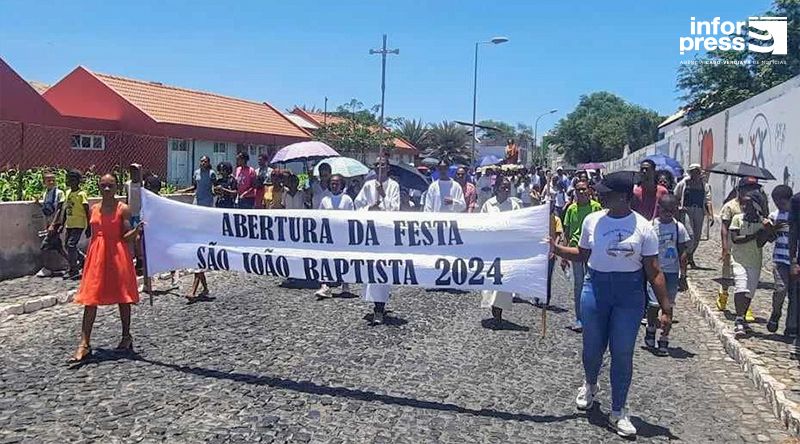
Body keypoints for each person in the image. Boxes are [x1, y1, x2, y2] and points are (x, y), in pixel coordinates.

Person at [551, 170, 671, 438]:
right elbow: (582, 254)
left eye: (606, 193)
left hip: (628, 296)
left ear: (624, 197)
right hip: (595, 290)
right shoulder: (593, 221)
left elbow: (654, 270)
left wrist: (666, 307)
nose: (600, 195)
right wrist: (557, 249)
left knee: (622, 352)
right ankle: (590, 384)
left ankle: (619, 410)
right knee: (592, 349)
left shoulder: (643, 227)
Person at [69, 174, 142, 363]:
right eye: (103, 186)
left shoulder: (123, 209)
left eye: (110, 186)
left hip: (117, 255)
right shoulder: (94, 209)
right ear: (99, 188)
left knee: (122, 297)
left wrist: (137, 231)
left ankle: (126, 336)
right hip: (97, 256)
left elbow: (126, 237)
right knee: (90, 297)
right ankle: (84, 343)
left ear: (116, 187)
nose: (107, 189)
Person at [354, 156, 400, 325]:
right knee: (371, 269)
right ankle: (376, 302)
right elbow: (357, 205)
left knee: (383, 268)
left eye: (383, 165)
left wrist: (383, 195)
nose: (379, 167)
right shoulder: (368, 185)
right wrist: (369, 208)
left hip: (386, 234)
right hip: (370, 233)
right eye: (376, 164)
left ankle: (379, 307)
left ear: (388, 167)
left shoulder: (393, 186)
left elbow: (395, 209)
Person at [644, 194, 690, 356]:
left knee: (668, 306)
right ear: (659, 210)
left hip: (671, 272)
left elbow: (683, 252)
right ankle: (650, 329)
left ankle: (664, 338)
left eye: (672, 210)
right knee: (653, 305)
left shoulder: (679, 228)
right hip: (654, 272)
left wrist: (683, 275)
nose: (668, 214)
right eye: (665, 210)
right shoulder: (651, 226)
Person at [480, 176, 523, 326]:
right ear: (497, 188)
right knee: (491, 279)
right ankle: (493, 308)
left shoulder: (515, 205)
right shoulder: (488, 205)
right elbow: (481, 224)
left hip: (508, 248)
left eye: (508, 187)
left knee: (504, 281)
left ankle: (499, 312)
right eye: (503, 187)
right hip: (491, 247)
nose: (506, 190)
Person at [561, 180, 603, 332]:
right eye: (578, 190)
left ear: (589, 191)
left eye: (584, 189)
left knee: (593, 284)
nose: (582, 192)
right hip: (576, 250)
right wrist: (564, 253)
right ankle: (580, 318)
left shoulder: (596, 207)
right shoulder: (571, 209)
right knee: (578, 284)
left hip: (593, 250)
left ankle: (594, 317)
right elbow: (567, 231)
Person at [729, 190, 771, 338]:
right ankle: (739, 320)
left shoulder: (761, 222)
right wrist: (754, 235)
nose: (744, 206)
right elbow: (735, 239)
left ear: (756, 206)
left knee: (749, 292)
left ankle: (743, 317)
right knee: (741, 286)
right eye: (743, 203)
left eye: (748, 203)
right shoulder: (737, 219)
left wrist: (767, 230)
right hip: (739, 260)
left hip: (754, 261)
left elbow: (761, 243)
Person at [719, 177, 761, 323]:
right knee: (727, 272)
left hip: (749, 248)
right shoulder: (730, 206)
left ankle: (743, 309)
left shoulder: (755, 205)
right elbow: (724, 227)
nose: (752, 191)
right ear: (740, 189)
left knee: (743, 282)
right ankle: (723, 294)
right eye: (749, 188)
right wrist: (725, 246)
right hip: (733, 242)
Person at [315, 174, 355, 298]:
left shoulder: (347, 199)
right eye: (332, 183)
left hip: (343, 235)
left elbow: (352, 217)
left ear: (341, 185)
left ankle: (345, 285)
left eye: (337, 183)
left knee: (344, 260)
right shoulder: (325, 200)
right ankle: (325, 285)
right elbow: (319, 218)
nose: (334, 185)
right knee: (326, 259)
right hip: (328, 235)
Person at [767, 185, 796, 336]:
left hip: (795, 261)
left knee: (794, 295)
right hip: (780, 260)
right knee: (780, 289)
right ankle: (776, 313)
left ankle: (791, 326)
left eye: (782, 203)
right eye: (776, 202)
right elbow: (770, 239)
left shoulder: (796, 216)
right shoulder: (775, 215)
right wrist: (772, 228)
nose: (779, 206)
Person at [674, 164, 713, 268]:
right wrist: (678, 208)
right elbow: (676, 196)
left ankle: (690, 256)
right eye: (692, 171)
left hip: (699, 210)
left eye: (697, 171)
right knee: (690, 234)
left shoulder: (704, 185)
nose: (695, 173)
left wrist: (710, 215)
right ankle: (685, 256)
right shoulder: (684, 183)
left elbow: (708, 201)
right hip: (687, 210)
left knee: (697, 236)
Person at [36, 171, 67, 277]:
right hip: (49, 224)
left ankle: (47, 268)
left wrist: (53, 225)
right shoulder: (46, 193)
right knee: (59, 248)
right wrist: (38, 204)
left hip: (55, 224)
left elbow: (59, 209)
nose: (51, 182)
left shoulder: (59, 193)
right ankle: (75, 263)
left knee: (44, 247)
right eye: (48, 180)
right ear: (44, 182)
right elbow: (47, 210)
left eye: (53, 180)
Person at [62, 170, 91, 280]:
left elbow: (87, 211)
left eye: (73, 180)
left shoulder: (81, 194)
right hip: (69, 224)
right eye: (69, 180)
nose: (71, 182)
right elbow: (66, 209)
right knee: (67, 245)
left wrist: (89, 226)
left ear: (78, 181)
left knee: (71, 245)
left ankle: (73, 270)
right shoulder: (68, 193)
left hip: (78, 224)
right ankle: (83, 259)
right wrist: (62, 223)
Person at [124, 163, 144, 275]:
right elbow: (127, 199)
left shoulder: (142, 185)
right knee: (128, 237)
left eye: (135, 171)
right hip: (130, 213)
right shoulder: (127, 184)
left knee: (137, 238)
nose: (133, 174)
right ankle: (132, 259)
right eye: (132, 172)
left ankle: (140, 259)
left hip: (139, 214)